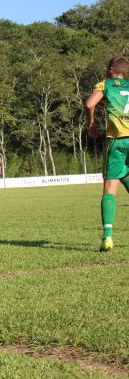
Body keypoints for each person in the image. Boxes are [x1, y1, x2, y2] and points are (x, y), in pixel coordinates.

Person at [85, 56, 129, 252]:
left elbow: (89, 104)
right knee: (124, 175)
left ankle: (107, 237)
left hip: (118, 140)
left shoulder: (106, 84)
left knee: (109, 188)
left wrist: (91, 124)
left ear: (111, 70)